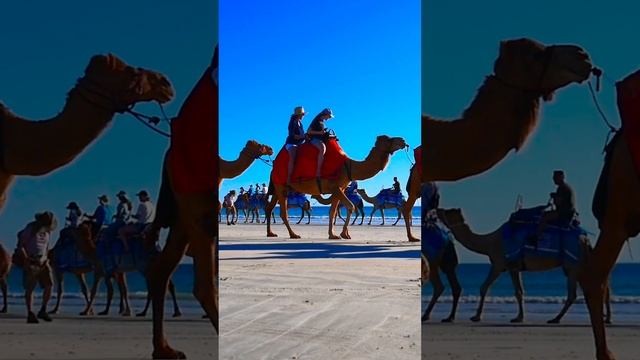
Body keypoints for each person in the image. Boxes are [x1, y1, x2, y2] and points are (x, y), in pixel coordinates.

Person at [15, 211, 57, 323]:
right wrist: (26, 260)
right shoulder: (30, 229)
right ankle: (30, 312)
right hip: (32, 260)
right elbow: (21, 245)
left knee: (49, 285)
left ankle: (43, 309)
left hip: (43, 261)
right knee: (30, 288)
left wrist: (46, 258)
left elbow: (46, 246)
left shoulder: (48, 232)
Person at [535, 170, 577, 238]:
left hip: (564, 213)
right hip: (567, 212)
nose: (554, 179)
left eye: (555, 177)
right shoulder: (566, 187)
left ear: (561, 177)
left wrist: (554, 196)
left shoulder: (562, 188)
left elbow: (559, 202)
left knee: (544, 217)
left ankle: (537, 236)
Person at [307, 108, 334, 191]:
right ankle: (318, 172)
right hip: (314, 139)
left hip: (320, 139)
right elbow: (309, 131)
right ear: (325, 115)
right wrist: (320, 133)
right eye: (329, 116)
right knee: (322, 148)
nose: (329, 118)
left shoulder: (322, 122)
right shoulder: (317, 121)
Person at [285, 106, 307, 185]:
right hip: (291, 144)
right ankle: (289, 177)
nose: (303, 116)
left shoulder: (300, 123)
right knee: (293, 156)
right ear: (299, 115)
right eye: (302, 114)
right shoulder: (293, 122)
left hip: (299, 144)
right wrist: (303, 136)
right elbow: (293, 135)